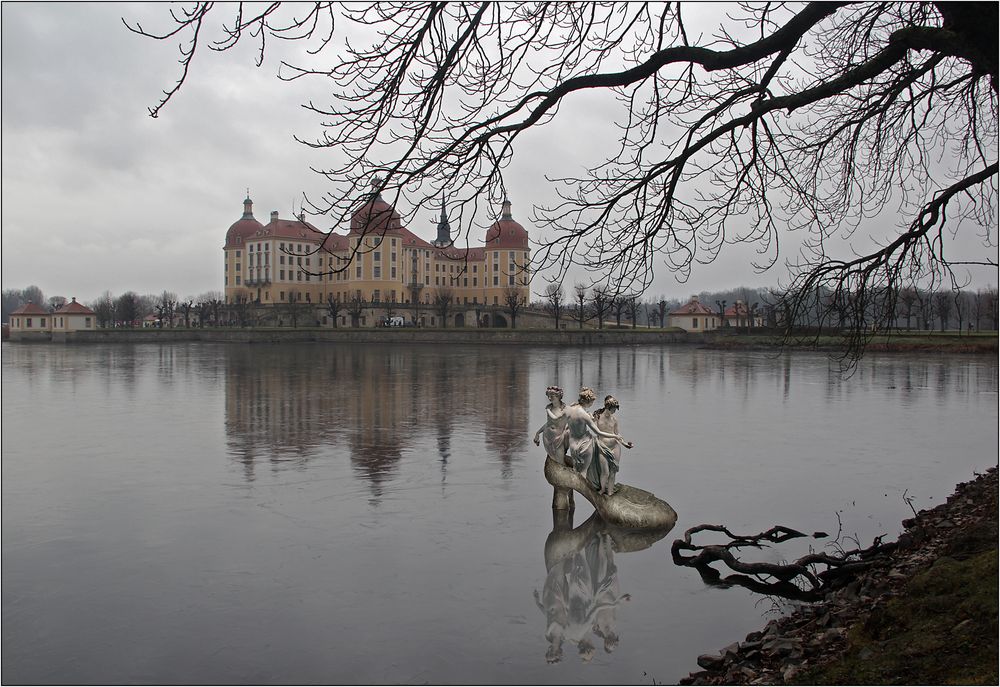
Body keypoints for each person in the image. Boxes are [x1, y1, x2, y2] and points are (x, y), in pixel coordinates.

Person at [564, 387, 629, 485]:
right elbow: (598, 432)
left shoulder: (570, 409)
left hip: (573, 444)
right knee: (586, 471)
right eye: (592, 402)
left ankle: (579, 487)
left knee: (577, 468)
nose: (592, 404)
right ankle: (589, 487)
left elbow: (565, 424)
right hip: (585, 444)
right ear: (588, 401)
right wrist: (614, 436)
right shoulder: (587, 415)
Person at [591, 396, 632, 495]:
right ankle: (602, 489)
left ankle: (610, 492)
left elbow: (618, 434)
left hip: (615, 446)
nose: (614, 412)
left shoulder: (614, 419)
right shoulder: (597, 416)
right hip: (602, 447)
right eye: (613, 409)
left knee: (613, 471)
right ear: (608, 407)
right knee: (605, 472)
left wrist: (625, 444)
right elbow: (597, 432)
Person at [533, 386, 569, 467]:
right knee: (553, 462)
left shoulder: (564, 409)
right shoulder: (550, 407)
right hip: (548, 438)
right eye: (548, 396)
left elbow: (556, 419)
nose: (549, 398)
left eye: (551, 396)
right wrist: (538, 433)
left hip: (559, 439)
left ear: (558, 396)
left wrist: (548, 410)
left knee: (560, 462)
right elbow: (548, 423)